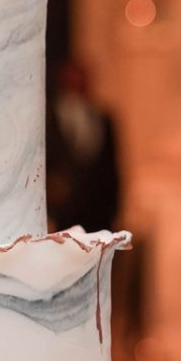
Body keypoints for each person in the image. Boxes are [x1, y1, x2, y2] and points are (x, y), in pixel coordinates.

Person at [46, 56, 122, 234]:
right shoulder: (48, 117)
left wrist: (115, 208)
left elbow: (111, 167)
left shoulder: (102, 117)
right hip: (62, 210)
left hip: (98, 210)